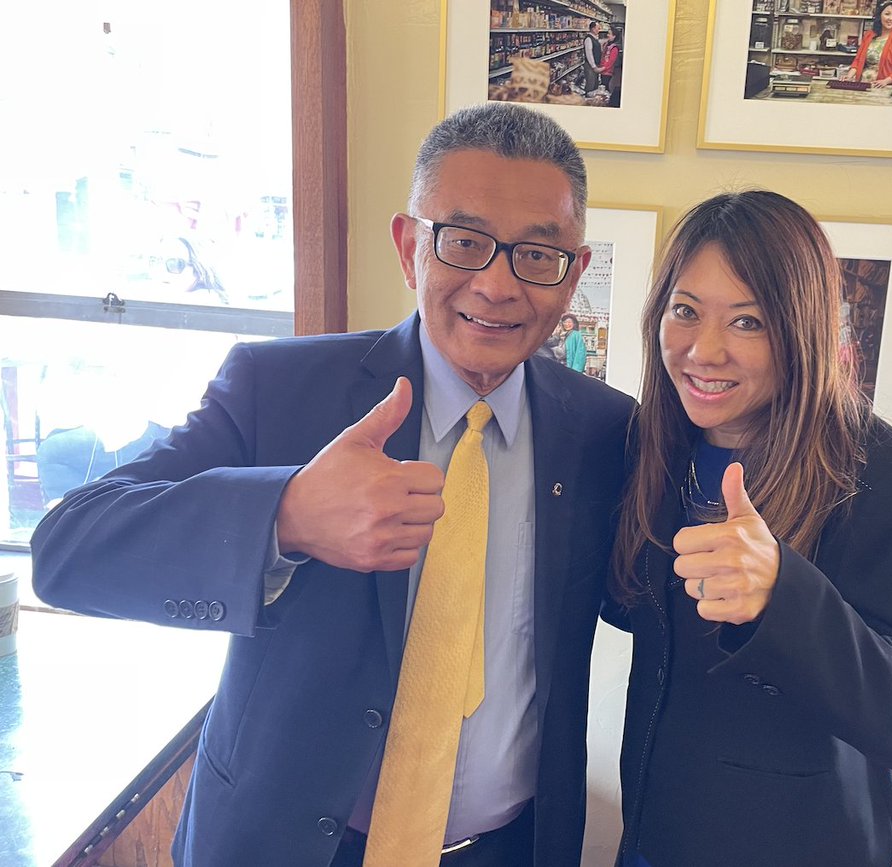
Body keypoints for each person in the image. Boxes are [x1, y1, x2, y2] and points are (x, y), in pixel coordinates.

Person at [31, 102, 635, 867]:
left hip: (506, 848)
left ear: (572, 273)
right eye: (465, 242)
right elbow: (68, 551)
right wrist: (283, 515)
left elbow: (644, 596)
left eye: (536, 255)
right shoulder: (278, 389)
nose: (496, 285)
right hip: (285, 845)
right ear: (410, 248)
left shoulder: (605, 431)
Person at [605, 191, 892, 866]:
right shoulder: (653, 446)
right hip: (656, 837)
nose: (704, 350)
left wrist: (784, 595)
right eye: (685, 311)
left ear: (801, 330)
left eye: (748, 321)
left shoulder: (882, 477)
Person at [845, 1, 892, 88]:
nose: (891, 18)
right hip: (862, 84)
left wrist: (886, 81)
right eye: (887, 14)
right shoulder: (869, 35)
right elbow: (858, 61)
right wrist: (849, 76)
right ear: (879, 15)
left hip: (884, 87)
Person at [582, 21, 603, 94]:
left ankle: (593, 101)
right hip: (590, 66)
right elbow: (589, 53)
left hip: (595, 65)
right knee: (590, 84)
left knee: (595, 84)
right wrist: (594, 66)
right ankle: (587, 101)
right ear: (593, 29)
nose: (599, 30)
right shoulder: (588, 39)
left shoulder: (594, 38)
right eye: (598, 28)